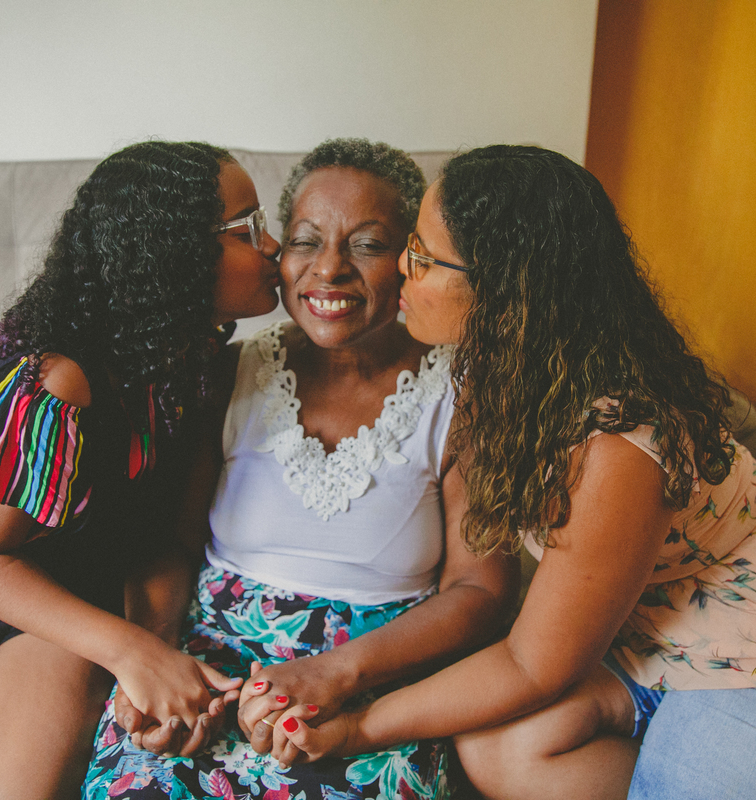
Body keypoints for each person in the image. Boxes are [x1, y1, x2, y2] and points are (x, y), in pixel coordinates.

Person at [273, 145, 756, 800]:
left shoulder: (621, 440)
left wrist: (359, 728)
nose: (401, 267)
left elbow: (531, 664)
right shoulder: (504, 373)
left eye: (424, 257)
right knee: (493, 747)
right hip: (648, 652)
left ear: (506, 293)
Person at [0, 141, 284, 800]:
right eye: (247, 228)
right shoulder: (57, 381)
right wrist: (132, 653)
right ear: (174, 252)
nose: (274, 246)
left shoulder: (202, 363)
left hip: (82, 603)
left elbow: (165, 540)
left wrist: (152, 651)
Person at [82, 138, 518, 800]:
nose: (330, 268)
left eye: (368, 245)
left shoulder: (463, 396)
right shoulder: (231, 371)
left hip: (372, 682)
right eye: (306, 241)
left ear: (410, 260)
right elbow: (172, 544)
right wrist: (156, 662)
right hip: (213, 669)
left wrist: (338, 674)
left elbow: (481, 590)